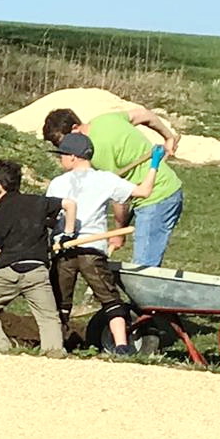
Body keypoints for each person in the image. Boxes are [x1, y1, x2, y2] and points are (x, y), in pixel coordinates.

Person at [46, 132, 163, 355]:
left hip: (64, 250)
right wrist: (154, 164)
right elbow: (143, 191)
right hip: (92, 249)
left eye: (62, 155)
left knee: (59, 301)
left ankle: (55, 345)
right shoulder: (106, 179)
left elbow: (50, 217)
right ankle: (121, 346)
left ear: (73, 157)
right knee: (110, 299)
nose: (60, 159)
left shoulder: (58, 183)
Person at [42, 106, 183, 266]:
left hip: (156, 197)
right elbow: (144, 114)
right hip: (166, 188)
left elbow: (118, 198)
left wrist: (118, 231)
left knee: (145, 266)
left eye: (61, 142)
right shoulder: (104, 120)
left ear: (75, 129)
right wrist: (168, 137)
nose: (63, 149)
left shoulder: (97, 151)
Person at [0, 159, 77, 358]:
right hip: (36, 271)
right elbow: (69, 204)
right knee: (48, 316)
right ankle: (53, 350)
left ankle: (0, 347)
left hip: (9, 270)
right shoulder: (38, 202)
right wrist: (68, 233)